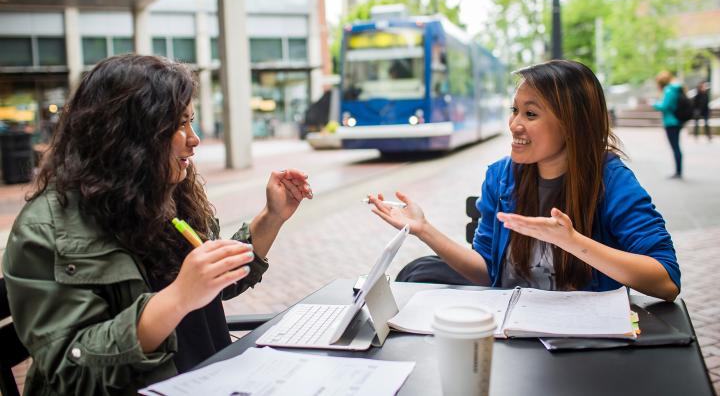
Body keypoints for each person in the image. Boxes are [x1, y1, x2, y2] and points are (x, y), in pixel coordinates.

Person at [2, 54, 313, 394]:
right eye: (180, 124)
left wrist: (272, 216)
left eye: (191, 122)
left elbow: (213, 286)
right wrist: (178, 297)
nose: (194, 139)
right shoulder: (45, 230)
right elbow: (73, 371)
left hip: (212, 379)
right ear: (129, 133)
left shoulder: (163, 193)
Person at [368, 60, 680, 302]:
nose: (514, 124)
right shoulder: (501, 177)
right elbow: (488, 271)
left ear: (572, 123)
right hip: (513, 334)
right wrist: (424, 230)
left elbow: (666, 281)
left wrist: (572, 242)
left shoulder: (610, 179)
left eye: (530, 114)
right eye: (515, 110)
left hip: (584, 343)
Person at [652, 70, 684, 179]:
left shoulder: (669, 90)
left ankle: (678, 171)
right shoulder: (675, 89)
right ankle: (678, 170)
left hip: (671, 122)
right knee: (676, 146)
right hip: (677, 121)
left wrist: (654, 104)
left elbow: (665, 106)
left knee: (675, 147)